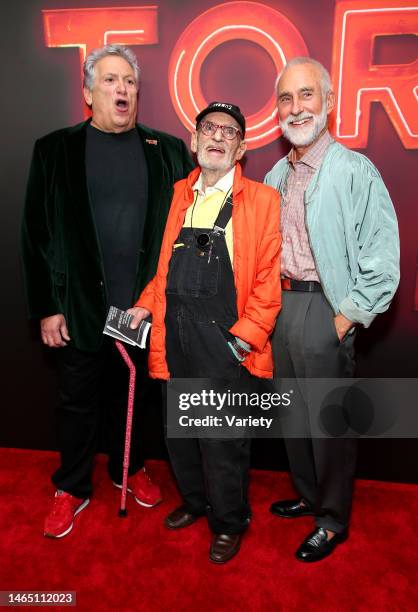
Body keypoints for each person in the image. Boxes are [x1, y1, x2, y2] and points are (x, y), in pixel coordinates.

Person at [21, 44, 193, 538]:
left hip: (141, 308)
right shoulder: (54, 150)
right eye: (111, 80)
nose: (122, 89)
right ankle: (71, 487)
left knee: (132, 396)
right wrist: (49, 307)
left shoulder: (168, 151)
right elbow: (36, 234)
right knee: (76, 400)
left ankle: (128, 467)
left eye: (130, 82)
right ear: (87, 92)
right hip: (78, 307)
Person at [128, 101, 281, 563]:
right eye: (209, 129)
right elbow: (164, 272)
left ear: (241, 148)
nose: (217, 137)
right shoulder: (179, 194)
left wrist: (241, 341)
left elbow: (267, 283)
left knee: (222, 443)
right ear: (195, 141)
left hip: (225, 343)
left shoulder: (262, 200)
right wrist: (141, 307)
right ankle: (195, 502)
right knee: (181, 434)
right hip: (174, 339)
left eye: (229, 132)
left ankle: (228, 521)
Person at [264, 57, 400, 562]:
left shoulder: (354, 170)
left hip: (327, 309)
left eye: (306, 95)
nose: (296, 107)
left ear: (328, 102)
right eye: (286, 98)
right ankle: (308, 494)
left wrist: (343, 318)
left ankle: (333, 518)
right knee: (293, 419)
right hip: (282, 310)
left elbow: (383, 261)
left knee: (329, 423)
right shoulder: (277, 173)